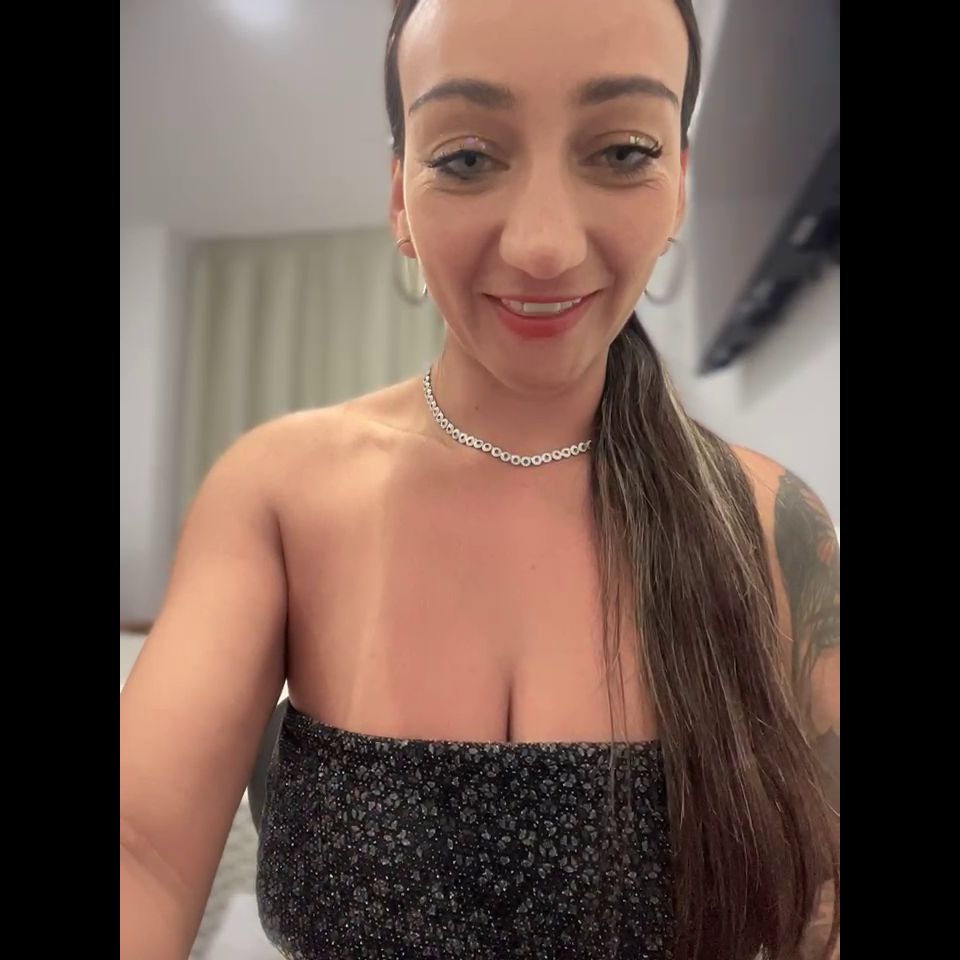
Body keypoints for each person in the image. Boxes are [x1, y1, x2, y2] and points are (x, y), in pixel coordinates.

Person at [119, 1, 840, 957]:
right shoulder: (280, 495)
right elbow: (142, 853)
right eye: (465, 158)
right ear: (399, 200)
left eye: (623, 151)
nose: (544, 244)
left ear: (679, 187)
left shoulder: (771, 524)